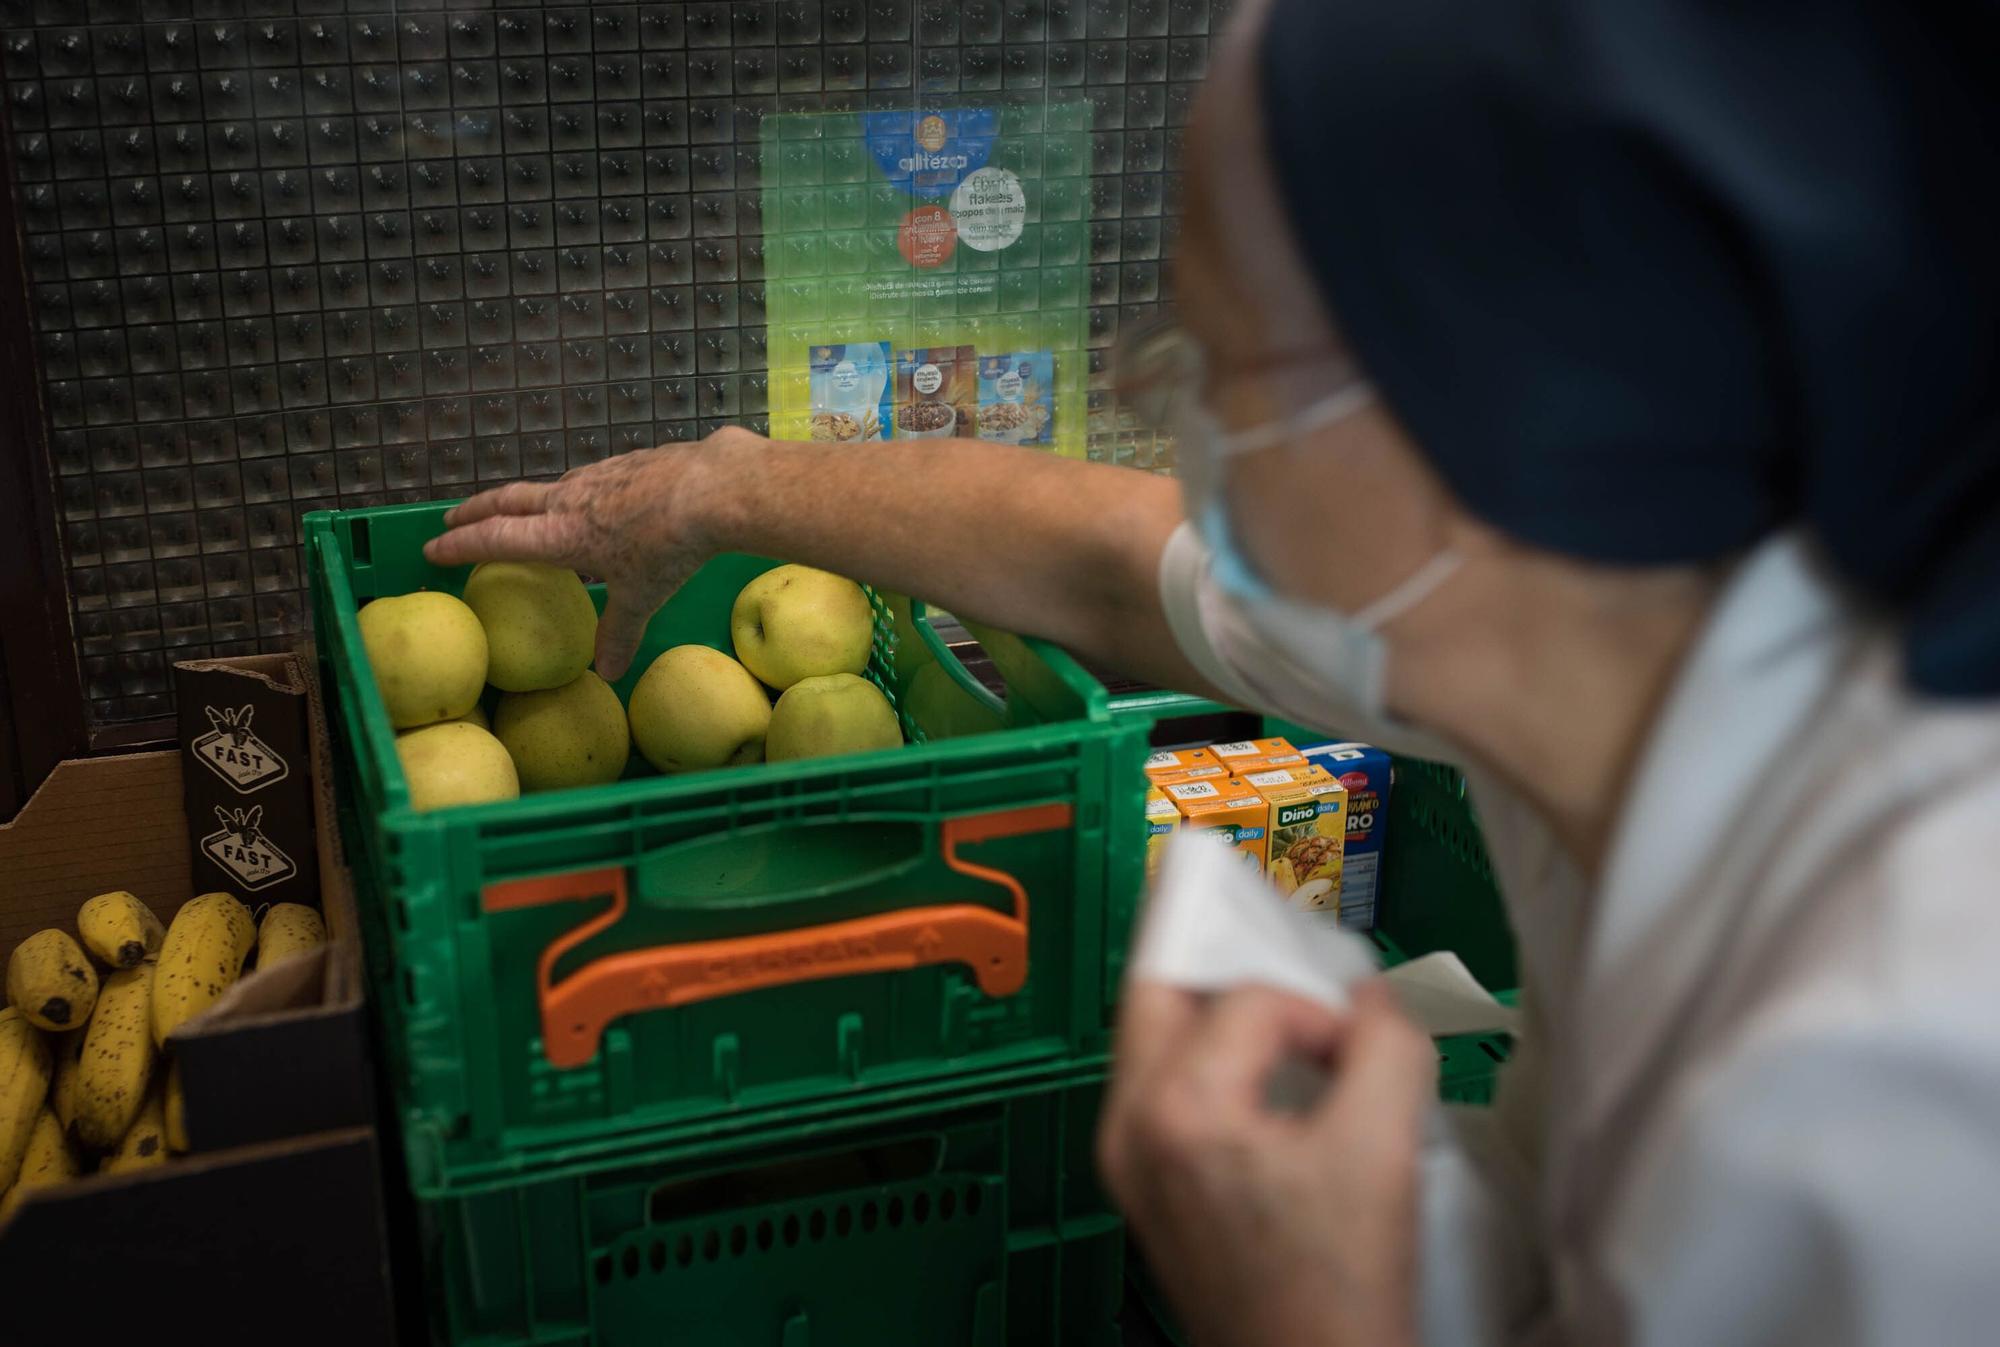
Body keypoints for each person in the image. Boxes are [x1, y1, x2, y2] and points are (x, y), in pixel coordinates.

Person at [426, 0, 2000, 1341]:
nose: (1144, 395)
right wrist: (723, 491)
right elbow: (1105, 561)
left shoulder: (1884, 1098)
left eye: (1209, 347)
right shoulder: (1582, 610)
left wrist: (1301, 1311)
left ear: (1482, 413)